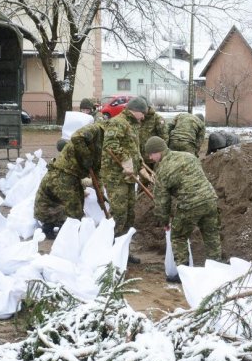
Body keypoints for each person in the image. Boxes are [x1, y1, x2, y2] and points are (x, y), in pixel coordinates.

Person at [146, 136, 222, 283]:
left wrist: (164, 220)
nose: (150, 158)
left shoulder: (162, 170)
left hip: (190, 204)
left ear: (159, 151)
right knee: (211, 235)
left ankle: (184, 274)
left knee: (178, 237)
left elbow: (162, 201)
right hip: (210, 199)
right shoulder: (188, 156)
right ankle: (217, 268)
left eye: (151, 154)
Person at [34, 121, 106, 238]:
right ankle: (68, 235)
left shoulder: (101, 148)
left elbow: (97, 173)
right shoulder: (95, 131)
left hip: (69, 179)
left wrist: (100, 195)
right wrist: (87, 157)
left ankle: (55, 228)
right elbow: (77, 137)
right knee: (75, 211)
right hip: (63, 177)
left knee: (74, 205)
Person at [101, 100, 146, 262]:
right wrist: (126, 159)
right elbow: (110, 145)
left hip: (128, 177)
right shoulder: (117, 122)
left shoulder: (132, 124)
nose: (144, 117)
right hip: (116, 177)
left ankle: (123, 251)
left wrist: (141, 167)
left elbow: (134, 149)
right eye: (143, 113)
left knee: (129, 214)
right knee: (119, 214)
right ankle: (111, 253)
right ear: (135, 110)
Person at [135, 97, 168, 166]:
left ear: (147, 107)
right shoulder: (136, 118)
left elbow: (164, 138)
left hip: (153, 160)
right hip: (139, 159)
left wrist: (158, 157)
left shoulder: (157, 119)